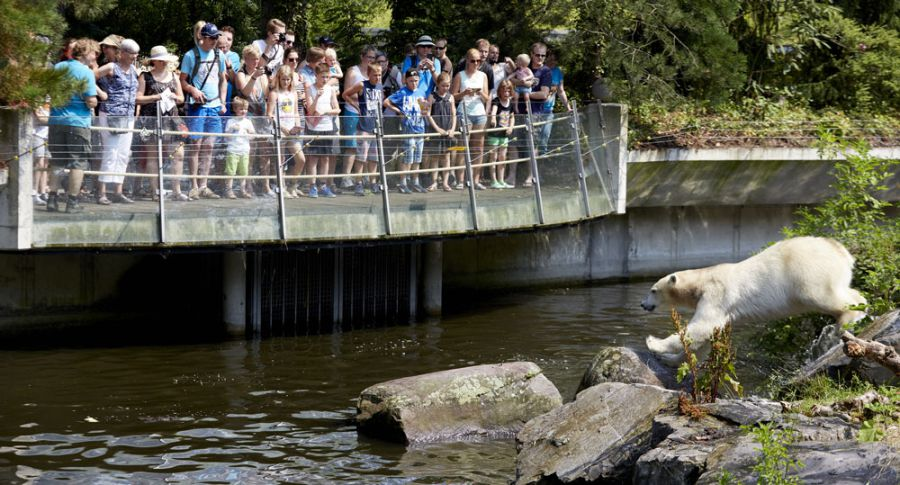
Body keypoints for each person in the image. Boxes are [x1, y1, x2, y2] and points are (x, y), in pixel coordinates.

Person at [47, 38, 99, 213]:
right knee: (78, 162)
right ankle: (72, 202)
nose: (95, 56)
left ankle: (51, 199)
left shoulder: (58, 67)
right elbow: (91, 100)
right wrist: (92, 102)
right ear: (85, 52)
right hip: (78, 122)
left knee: (57, 161)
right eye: (94, 52)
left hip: (56, 120)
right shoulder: (86, 72)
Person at [180, 22, 228, 200]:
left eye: (217, 37)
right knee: (196, 145)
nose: (216, 41)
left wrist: (222, 101)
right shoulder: (190, 56)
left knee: (209, 146)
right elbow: (182, 81)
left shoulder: (219, 55)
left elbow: (223, 79)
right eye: (213, 37)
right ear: (203, 37)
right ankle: (193, 185)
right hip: (197, 106)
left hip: (214, 106)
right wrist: (193, 90)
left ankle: (204, 185)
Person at [135, 45, 188, 201]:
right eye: (160, 60)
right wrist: (156, 97)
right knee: (153, 155)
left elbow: (181, 99)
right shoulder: (144, 77)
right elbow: (138, 98)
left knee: (178, 153)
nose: (164, 63)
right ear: (154, 61)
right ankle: (155, 190)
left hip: (172, 119)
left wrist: (173, 97)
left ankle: (176, 190)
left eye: (165, 60)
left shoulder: (174, 76)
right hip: (151, 119)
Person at [95, 38, 139, 205]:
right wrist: (101, 93)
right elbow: (91, 76)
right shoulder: (112, 67)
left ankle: (118, 191)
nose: (134, 57)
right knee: (111, 152)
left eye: (136, 54)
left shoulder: (134, 70)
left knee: (123, 153)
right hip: (111, 114)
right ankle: (102, 192)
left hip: (127, 116)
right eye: (131, 53)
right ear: (123, 53)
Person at [508, 41, 552, 187]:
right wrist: (522, 86)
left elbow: (544, 94)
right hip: (516, 112)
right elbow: (510, 81)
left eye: (543, 56)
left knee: (531, 144)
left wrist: (526, 93)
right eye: (537, 55)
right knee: (513, 143)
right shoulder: (522, 66)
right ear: (531, 54)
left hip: (535, 113)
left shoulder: (545, 72)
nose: (540, 58)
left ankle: (531, 176)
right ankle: (511, 176)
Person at [235, 44, 272, 197]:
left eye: (257, 59)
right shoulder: (241, 73)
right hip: (247, 115)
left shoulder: (262, 74)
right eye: (252, 60)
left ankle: (266, 185)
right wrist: (254, 76)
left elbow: (267, 94)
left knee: (265, 152)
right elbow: (245, 91)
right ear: (246, 59)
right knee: (249, 152)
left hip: (261, 115)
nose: (256, 62)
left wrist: (267, 78)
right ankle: (247, 185)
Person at [339, 45, 377, 190]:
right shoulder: (353, 71)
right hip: (353, 112)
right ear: (362, 56)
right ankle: (345, 178)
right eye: (369, 57)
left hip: (368, 116)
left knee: (366, 147)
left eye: (373, 58)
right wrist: (364, 98)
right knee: (352, 146)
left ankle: (363, 177)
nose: (371, 60)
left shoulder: (374, 74)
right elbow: (348, 92)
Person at [384, 68, 428, 193]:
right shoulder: (402, 92)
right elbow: (386, 102)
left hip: (420, 127)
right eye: (411, 81)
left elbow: (424, 108)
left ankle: (415, 181)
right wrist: (398, 111)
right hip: (407, 128)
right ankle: (403, 182)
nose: (414, 83)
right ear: (406, 81)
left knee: (418, 157)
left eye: (416, 81)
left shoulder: (421, 92)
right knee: (407, 156)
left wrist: (425, 109)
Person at [451, 48, 489, 190]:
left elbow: (487, 98)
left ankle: (475, 180)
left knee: (478, 148)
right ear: (467, 60)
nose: (476, 63)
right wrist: (464, 93)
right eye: (473, 60)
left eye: (478, 61)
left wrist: (479, 92)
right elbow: (452, 96)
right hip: (464, 112)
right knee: (463, 147)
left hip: (479, 113)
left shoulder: (483, 75)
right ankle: (460, 180)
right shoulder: (460, 75)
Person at [267, 65, 307, 198]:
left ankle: (292, 185)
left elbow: (296, 112)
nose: (286, 82)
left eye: (288, 79)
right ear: (279, 79)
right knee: (281, 160)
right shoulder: (274, 93)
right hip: (279, 130)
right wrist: (281, 127)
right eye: (283, 79)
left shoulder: (294, 93)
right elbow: (269, 114)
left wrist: (297, 125)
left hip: (292, 130)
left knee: (301, 159)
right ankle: (281, 186)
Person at [304, 64, 340, 198]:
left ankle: (323, 185)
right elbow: (310, 110)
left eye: (327, 77)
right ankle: (312, 186)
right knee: (313, 158)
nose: (325, 79)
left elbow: (337, 109)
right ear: (316, 76)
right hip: (314, 128)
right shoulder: (310, 88)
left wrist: (326, 111)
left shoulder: (330, 89)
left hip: (328, 127)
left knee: (325, 158)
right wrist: (317, 97)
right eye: (322, 77)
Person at [424, 72, 457, 192]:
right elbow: (428, 115)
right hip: (436, 130)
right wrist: (437, 129)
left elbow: (454, 114)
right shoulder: (432, 97)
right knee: (435, 158)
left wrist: (453, 129)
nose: (445, 88)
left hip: (448, 130)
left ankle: (445, 182)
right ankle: (434, 182)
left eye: (448, 86)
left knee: (446, 157)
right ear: (438, 84)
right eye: (443, 85)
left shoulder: (451, 97)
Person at [223, 96, 256, 199]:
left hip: (244, 150)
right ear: (235, 109)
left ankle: (242, 190)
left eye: (245, 109)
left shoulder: (248, 122)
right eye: (241, 109)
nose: (243, 111)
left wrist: (250, 133)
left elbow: (253, 136)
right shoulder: (230, 121)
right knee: (230, 171)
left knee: (244, 171)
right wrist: (231, 130)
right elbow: (226, 138)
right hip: (233, 150)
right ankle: (229, 190)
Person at [487, 79, 515, 189]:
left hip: (504, 135)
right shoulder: (496, 101)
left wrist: (511, 127)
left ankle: (501, 180)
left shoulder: (510, 103)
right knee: (493, 157)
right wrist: (493, 119)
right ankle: (494, 181)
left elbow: (512, 117)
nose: (506, 93)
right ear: (500, 91)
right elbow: (493, 112)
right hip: (495, 134)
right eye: (504, 91)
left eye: (508, 91)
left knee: (502, 157)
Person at [217, 26, 241, 115]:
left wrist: (229, 68)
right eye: (224, 38)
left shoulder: (234, 56)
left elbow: (233, 79)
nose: (226, 42)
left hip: (227, 96)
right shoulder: (210, 54)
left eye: (229, 39)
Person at [31, 100, 50, 205]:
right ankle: (34, 193)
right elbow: (40, 118)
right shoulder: (36, 99)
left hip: (48, 134)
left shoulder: (52, 98)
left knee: (46, 164)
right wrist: (56, 120)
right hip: (37, 134)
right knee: (39, 162)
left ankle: (43, 192)